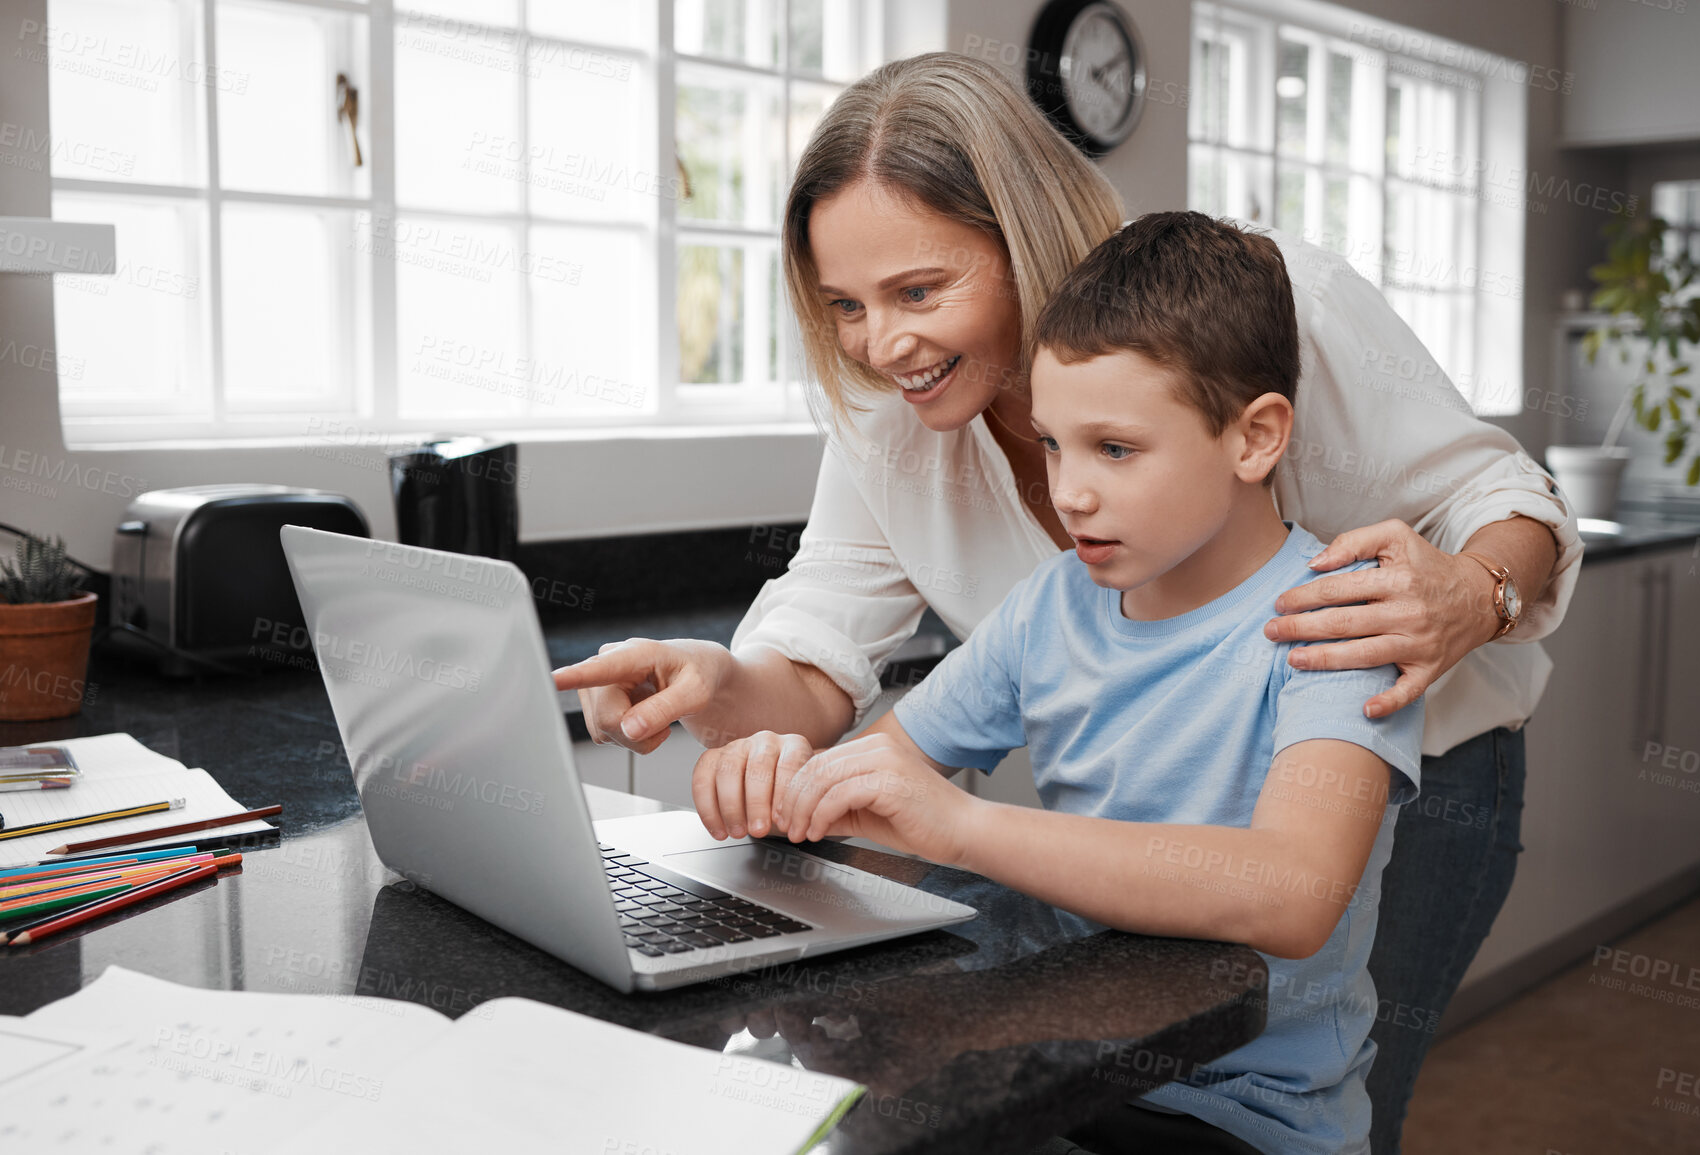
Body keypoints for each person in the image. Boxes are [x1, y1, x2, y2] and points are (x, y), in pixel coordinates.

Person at [556, 53, 1582, 1151]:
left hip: (1417, 764)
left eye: (919, 290)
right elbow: (826, 665)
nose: (880, 344)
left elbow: (1494, 498)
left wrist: (1472, 593)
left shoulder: (1271, 339)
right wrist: (734, 709)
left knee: (1323, 1089)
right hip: (1146, 888)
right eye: (845, 305)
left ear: (1023, 238)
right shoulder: (975, 507)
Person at [717, 209, 1424, 1154]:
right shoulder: (1052, 605)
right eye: (1054, 445)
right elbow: (876, 780)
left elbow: (1291, 894)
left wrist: (962, 826)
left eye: (1115, 449)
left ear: (1253, 438)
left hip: (1237, 1114)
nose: (1071, 492)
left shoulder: (1339, 616)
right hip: (1060, 1063)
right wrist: (775, 780)